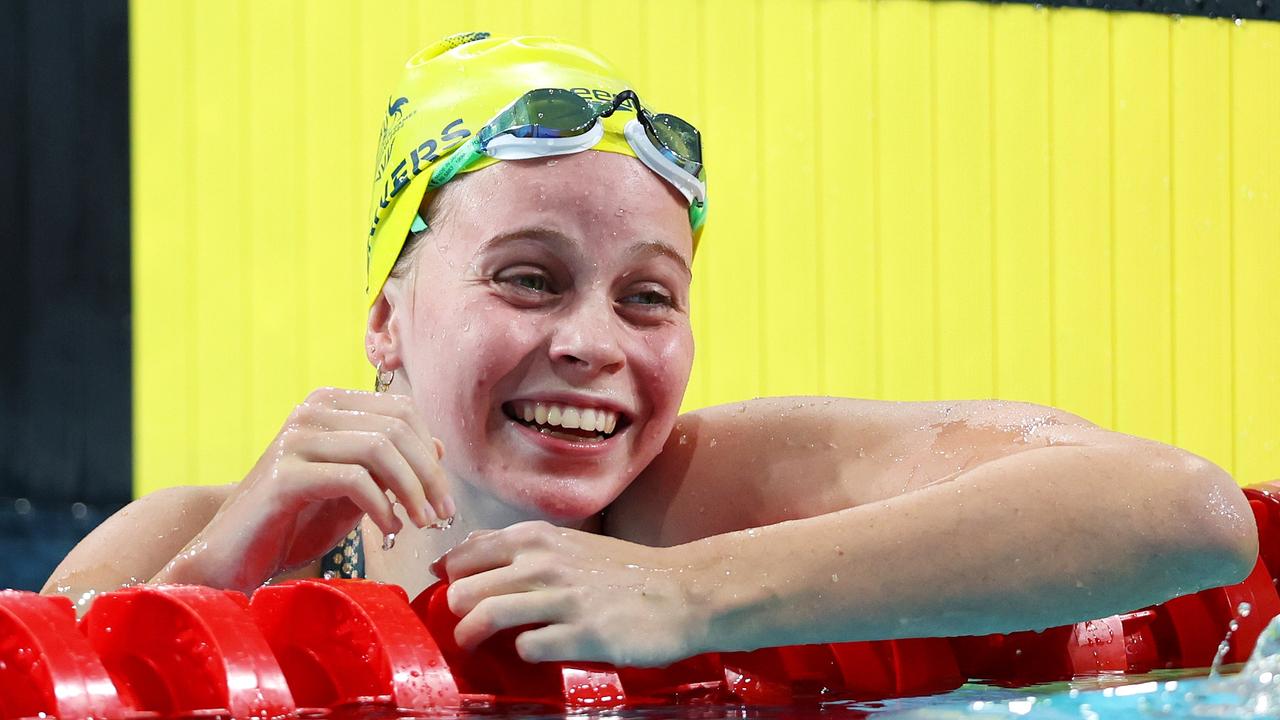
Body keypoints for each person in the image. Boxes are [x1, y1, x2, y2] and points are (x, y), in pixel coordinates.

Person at [45, 33, 1255, 669]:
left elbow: (1188, 514)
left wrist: (687, 597)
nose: (592, 345)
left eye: (647, 297)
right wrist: (221, 574)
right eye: (528, 279)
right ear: (385, 321)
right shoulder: (177, 542)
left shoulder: (701, 498)